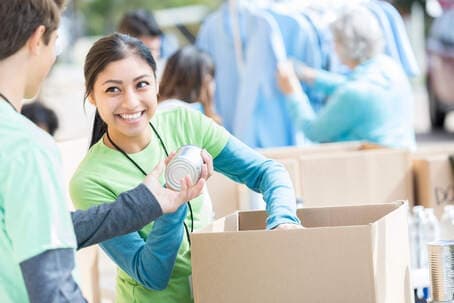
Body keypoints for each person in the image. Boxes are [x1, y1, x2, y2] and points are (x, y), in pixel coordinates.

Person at [70, 33, 302, 303]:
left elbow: (268, 172)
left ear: (157, 85)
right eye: (113, 89)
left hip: (216, 289)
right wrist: (171, 203)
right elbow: (151, 275)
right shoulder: (89, 181)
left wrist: (283, 221)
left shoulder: (183, 122)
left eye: (141, 84)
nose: (131, 102)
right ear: (92, 97)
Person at [0, 1, 206, 302]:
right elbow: (51, 287)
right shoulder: (26, 147)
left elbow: (46, 227)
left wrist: (146, 202)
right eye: (56, 42)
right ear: (37, 38)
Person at [276, 5, 416, 149]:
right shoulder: (390, 67)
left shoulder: (353, 93)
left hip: (369, 166)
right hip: (402, 161)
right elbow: (357, 86)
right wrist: (312, 76)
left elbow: (313, 131)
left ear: (344, 46)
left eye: (334, 42)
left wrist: (292, 92)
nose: (332, 47)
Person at [158, 45, 222, 124]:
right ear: (204, 80)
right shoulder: (186, 114)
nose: (213, 84)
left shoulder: (160, 108)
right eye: (211, 79)